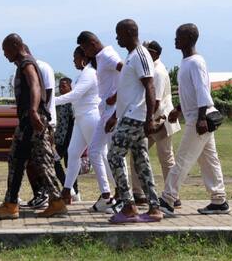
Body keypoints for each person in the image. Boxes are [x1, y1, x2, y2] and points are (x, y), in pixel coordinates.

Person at [0, 33, 67, 219]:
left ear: (16, 45)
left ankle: (53, 202)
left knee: (35, 161)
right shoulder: (25, 63)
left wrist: (32, 111)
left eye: (6, 50)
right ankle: (12, 203)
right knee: (19, 159)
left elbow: (35, 86)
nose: (5, 55)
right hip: (30, 120)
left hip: (32, 120)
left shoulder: (26, 63)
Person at [158, 24, 229, 215]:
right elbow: (190, 92)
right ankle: (219, 200)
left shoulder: (196, 62)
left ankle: (167, 199)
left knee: (182, 159)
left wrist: (200, 119)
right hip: (195, 116)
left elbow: (202, 91)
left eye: (178, 36)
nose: (175, 39)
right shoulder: (187, 62)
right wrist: (178, 109)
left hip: (199, 119)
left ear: (189, 38)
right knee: (209, 160)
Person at [105, 19, 162, 224]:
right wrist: (114, 117)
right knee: (141, 161)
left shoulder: (140, 54)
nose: (117, 38)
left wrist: (150, 119)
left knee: (114, 156)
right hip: (129, 115)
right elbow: (129, 91)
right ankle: (154, 208)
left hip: (136, 116)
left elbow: (150, 87)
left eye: (119, 33)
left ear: (130, 32)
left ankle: (129, 206)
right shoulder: (131, 56)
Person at [76, 30, 121, 213]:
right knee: (95, 151)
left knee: (114, 156)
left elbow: (127, 72)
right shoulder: (101, 57)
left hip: (112, 113)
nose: (85, 54)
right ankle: (106, 196)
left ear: (92, 43)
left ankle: (123, 197)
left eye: (85, 49)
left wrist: (116, 97)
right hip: (104, 112)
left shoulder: (108, 55)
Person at [130, 40, 179, 205]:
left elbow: (156, 101)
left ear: (155, 53)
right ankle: (139, 193)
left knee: (165, 156)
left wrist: (147, 120)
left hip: (160, 119)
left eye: (146, 51)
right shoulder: (154, 68)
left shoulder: (157, 71)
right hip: (156, 118)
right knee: (142, 153)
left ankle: (172, 195)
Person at [58, 46, 108, 204]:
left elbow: (75, 94)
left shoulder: (89, 73)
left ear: (83, 58)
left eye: (75, 57)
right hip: (81, 118)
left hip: (90, 117)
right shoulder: (84, 73)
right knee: (73, 153)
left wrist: (49, 101)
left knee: (99, 155)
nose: (73, 61)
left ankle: (108, 194)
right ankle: (67, 191)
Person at [23, 55, 59, 209]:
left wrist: (39, 114)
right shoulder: (24, 68)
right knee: (32, 160)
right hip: (34, 121)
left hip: (43, 121)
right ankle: (41, 194)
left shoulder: (42, 67)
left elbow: (47, 93)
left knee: (44, 160)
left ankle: (52, 196)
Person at [54, 77, 76, 199]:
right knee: (55, 161)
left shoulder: (71, 101)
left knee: (71, 164)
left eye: (64, 86)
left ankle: (74, 191)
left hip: (69, 139)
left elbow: (73, 121)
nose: (61, 88)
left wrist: (70, 140)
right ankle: (67, 187)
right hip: (59, 139)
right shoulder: (59, 101)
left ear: (70, 87)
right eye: (60, 86)